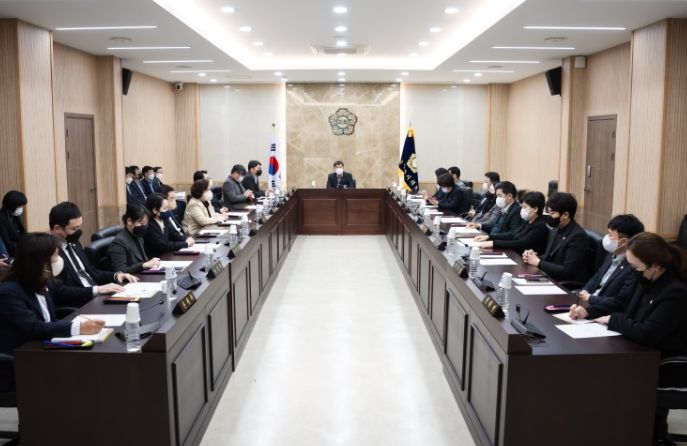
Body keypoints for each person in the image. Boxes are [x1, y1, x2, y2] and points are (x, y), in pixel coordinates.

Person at [568, 233, 687, 443]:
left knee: (605, 379)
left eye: (635, 267)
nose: (632, 271)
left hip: (666, 363)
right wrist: (588, 312)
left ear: (655, 266)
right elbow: (619, 302)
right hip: (637, 352)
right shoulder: (644, 279)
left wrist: (613, 319)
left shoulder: (674, 292)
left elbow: (647, 333)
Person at [0, 233, 106, 391]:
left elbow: (57, 305)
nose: (58, 261)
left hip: (48, 347)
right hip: (23, 360)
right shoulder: (9, 291)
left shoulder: (42, 280)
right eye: (55, 257)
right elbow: (33, 327)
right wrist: (78, 328)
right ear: (38, 262)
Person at [49, 202, 138, 302]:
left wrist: (116, 275)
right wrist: (96, 290)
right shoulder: (50, 253)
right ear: (57, 229)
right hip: (79, 303)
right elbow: (60, 292)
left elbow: (91, 272)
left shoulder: (74, 243)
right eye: (74, 229)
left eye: (79, 227)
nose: (78, 232)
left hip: (96, 296)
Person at [577, 214, 645, 305]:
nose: (607, 237)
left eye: (610, 235)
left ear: (623, 242)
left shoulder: (634, 266)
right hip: (589, 301)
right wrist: (585, 290)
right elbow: (598, 275)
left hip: (603, 308)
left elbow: (620, 301)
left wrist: (590, 299)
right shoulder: (612, 252)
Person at [523, 192, 588, 282]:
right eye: (549, 212)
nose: (549, 216)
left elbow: (567, 271)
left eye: (552, 213)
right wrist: (532, 256)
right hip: (548, 277)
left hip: (563, 283)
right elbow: (549, 257)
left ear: (565, 215)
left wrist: (538, 262)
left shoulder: (578, 236)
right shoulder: (555, 230)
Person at [473, 191, 548, 255]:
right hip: (515, 254)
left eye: (525, 207)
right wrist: (489, 237)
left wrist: (493, 243)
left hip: (524, 260)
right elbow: (512, 234)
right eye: (522, 207)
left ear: (535, 209)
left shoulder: (540, 226)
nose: (522, 210)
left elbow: (521, 243)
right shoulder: (527, 221)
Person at [108, 204, 161, 274]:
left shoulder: (138, 236)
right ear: (129, 221)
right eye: (141, 223)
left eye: (146, 224)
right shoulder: (118, 243)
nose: (144, 227)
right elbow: (120, 272)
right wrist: (143, 265)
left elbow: (144, 260)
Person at [144, 193, 195, 258]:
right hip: (156, 259)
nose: (168, 211)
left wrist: (187, 239)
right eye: (165, 208)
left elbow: (174, 235)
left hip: (167, 255)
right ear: (155, 210)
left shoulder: (164, 219)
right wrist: (186, 244)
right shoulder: (149, 225)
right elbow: (163, 245)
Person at [0, 190, 27, 256]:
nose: (21, 209)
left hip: (20, 246)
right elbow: (7, 242)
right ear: (11, 206)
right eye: (19, 206)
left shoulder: (15, 214)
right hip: (11, 251)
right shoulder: (1, 218)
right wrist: (23, 246)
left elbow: (21, 232)